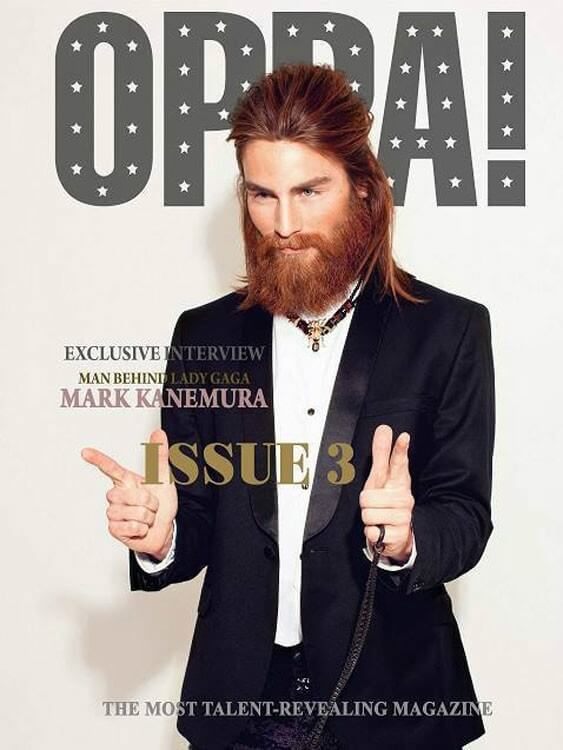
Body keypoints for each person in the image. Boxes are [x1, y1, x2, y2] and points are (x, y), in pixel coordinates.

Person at [82, 63, 495, 750]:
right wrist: (161, 537)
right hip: (236, 704)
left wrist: (407, 537)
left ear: (363, 188)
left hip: (394, 700)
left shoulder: (447, 330)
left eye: (309, 191)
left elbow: (465, 513)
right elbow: (196, 515)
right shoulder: (204, 335)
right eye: (262, 195)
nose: (284, 224)